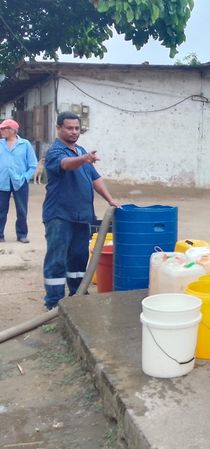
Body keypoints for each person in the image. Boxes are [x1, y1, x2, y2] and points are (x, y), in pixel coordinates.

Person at [43, 112, 120, 310]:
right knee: (57, 259)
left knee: (78, 258)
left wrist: (110, 200)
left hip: (82, 215)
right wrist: (84, 159)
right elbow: (65, 165)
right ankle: (54, 303)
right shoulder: (55, 151)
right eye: (69, 128)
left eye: (77, 128)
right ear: (58, 128)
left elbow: (95, 178)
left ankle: (77, 294)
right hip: (60, 215)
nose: (74, 132)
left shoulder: (81, 151)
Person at [0, 119, 37, 243]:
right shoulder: (0, 144)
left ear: (12, 130)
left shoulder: (25, 144)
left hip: (20, 182)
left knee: (21, 210)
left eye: (4, 128)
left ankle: (22, 234)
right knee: (1, 209)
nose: (1, 131)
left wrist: (25, 178)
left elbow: (32, 164)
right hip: (2, 181)